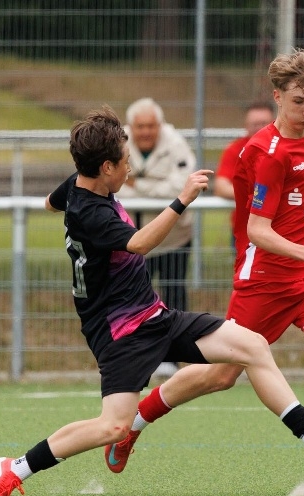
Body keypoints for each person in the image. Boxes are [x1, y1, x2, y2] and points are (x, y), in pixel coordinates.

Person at [0, 105, 304, 496]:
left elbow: (51, 202)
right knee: (113, 427)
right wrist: (182, 199)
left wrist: (55, 204)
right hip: (121, 334)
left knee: (252, 345)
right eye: (125, 163)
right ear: (106, 168)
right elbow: (140, 243)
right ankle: (14, 467)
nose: (130, 169)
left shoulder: (79, 184)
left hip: (155, 316)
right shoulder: (91, 212)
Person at [105, 50, 304, 487]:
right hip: (263, 280)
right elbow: (257, 231)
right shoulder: (267, 152)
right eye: (299, 101)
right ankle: (133, 424)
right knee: (221, 375)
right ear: (277, 96)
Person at [117, 97, 196, 378]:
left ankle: (172, 357)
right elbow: (111, 186)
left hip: (175, 238)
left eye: (151, 126)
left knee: (174, 296)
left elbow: (181, 188)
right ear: (131, 126)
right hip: (135, 242)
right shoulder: (117, 142)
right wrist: (155, 189)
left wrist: (137, 185)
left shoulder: (176, 144)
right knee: (134, 300)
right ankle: (138, 357)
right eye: (140, 126)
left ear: (159, 125)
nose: (146, 132)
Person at [213, 102, 275, 224]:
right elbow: (221, 187)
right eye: (254, 124)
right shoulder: (235, 150)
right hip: (244, 225)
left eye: (264, 124)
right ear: (246, 126)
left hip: (281, 223)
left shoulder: (286, 147)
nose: (259, 128)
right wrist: (260, 194)